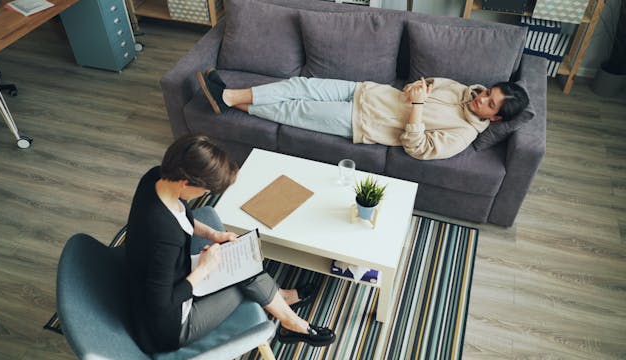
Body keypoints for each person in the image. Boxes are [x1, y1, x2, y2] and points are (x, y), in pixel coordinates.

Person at [125, 134, 335, 355]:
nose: (205, 194)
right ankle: (292, 322)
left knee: (239, 263)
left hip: (173, 277)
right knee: (242, 272)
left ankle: (283, 303)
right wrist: (205, 268)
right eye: (205, 190)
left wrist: (214, 234)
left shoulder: (156, 178)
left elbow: (180, 217)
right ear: (185, 182)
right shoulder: (163, 235)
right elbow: (160, 304)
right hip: (169, 327)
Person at [197, 69, 529, 160]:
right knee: (300, 84)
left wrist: (416, 107)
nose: (482, 98)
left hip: (359, 121)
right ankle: (228, 96)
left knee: (293, 110)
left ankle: (224, 97)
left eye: (490, 103)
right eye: (488, 92)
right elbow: (427, 82)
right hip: (363, 90)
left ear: (496, 118)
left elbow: (418, 148)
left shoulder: (463, 134)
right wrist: (418, 88)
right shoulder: (461, 90)